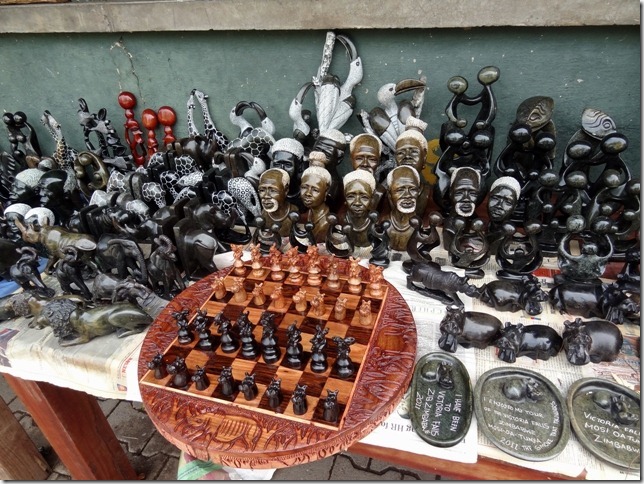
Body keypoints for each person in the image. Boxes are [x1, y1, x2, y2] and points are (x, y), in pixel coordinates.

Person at [394, 117, 430, 216]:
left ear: (424, 157)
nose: (407, 157)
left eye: (414, 152)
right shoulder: (390, 192)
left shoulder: (426, 192)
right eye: (401, 153)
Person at [308, 129, 346, 212]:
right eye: (316, 150)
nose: (318, 157)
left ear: (339, 159)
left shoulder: (332, 190)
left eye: (326, 155)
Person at [386, 165, 420, 251]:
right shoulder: (385, 223)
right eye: (400, 190)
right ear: (389, 194)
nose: (407, 195)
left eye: (412, 189)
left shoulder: (418, 225)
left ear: (418, 192)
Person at [257, 168, 298, 237]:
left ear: (286, 191)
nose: (266, 196)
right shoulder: (263, 215)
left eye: (273, 191)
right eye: (262, 190)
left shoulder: (293, 213)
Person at [342, 170, 377, 248]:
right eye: (351, 196)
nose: (357, 203)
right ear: (344, 198)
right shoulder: (342, 220)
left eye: (364, 197)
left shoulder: (375, 221)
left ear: (372, 199)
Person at [269, 137, 305, 210]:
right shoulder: (268, 193)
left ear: (300, 166)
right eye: (277, 164)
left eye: (288, 165)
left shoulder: (306, 195)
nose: (281, 169)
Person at [299, 165, 332, 243]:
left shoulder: (326, 222)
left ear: (326, 192)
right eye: (304, 187)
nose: (308, 193)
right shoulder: (309, 214)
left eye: (315, 190)